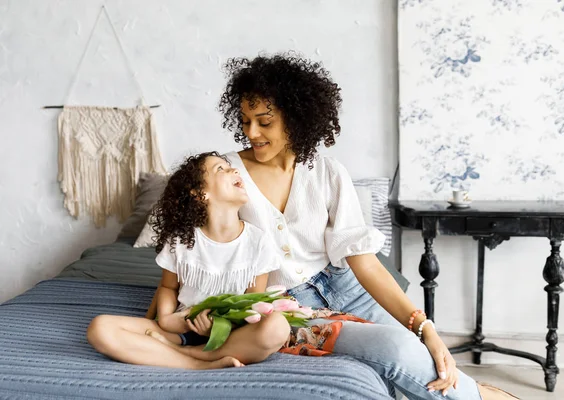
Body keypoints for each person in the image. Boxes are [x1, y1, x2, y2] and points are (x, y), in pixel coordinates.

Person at [214, 53, 518, 400]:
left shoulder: (328, 172)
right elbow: (204, 247)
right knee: (399, 353)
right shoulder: (226, 175)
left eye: (264, 122)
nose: (251, 132)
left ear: (295, 118)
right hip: (288, 307)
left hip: (346, 285)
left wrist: (425, 327)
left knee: (433, 360)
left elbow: (365, 263)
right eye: (245, 121)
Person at [87, 152, 291, 369]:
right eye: (220, 169)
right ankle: (196, 363)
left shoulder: (259, 243)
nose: (234, 170)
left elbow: (253, 303)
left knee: (278, 327)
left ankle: (185, 354)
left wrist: (218, 326)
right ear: (201, 194)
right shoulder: (182, 241)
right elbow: (168, 286)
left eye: (230, 167)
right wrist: (167, 319)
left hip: (231, 336)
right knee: (100, 328)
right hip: (181, 329)